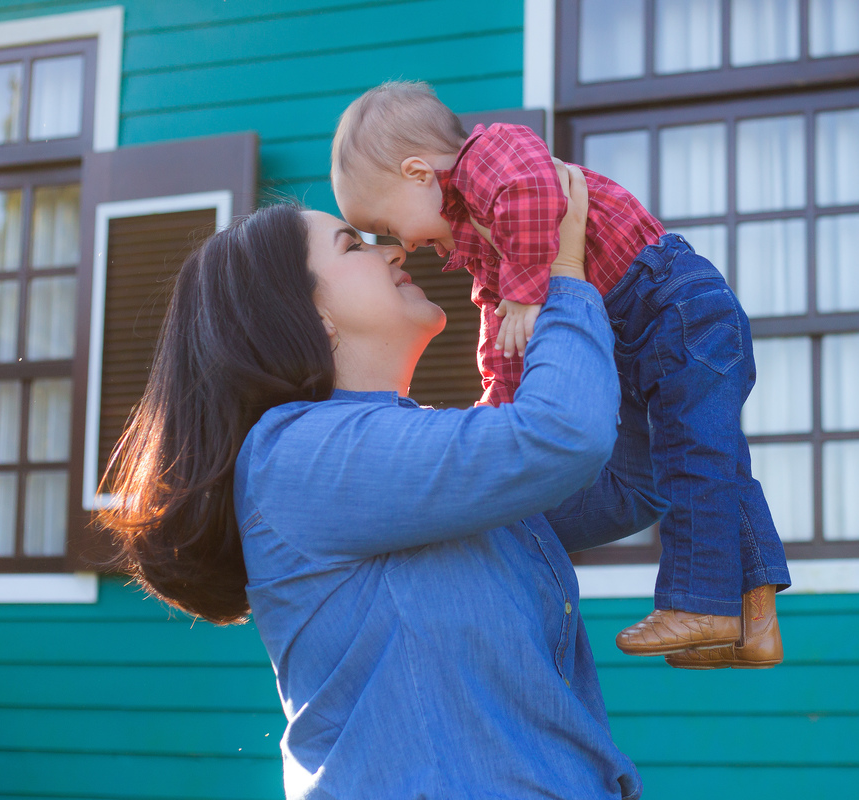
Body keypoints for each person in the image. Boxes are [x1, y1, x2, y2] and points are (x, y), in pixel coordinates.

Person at [100, 166, 664, 798]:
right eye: (353, 245)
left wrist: (644, 314)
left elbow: (629, 483)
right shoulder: (299, 458)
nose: (393, 248)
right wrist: (560, 276)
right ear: (309, 316)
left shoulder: (415, 451)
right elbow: (562, 434)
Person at [329, 81, 791, 668]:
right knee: (712, 458)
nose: (408, 245)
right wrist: (496, 406)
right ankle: (753, 623)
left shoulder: (489, 158)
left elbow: (532, 190)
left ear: (419, 173)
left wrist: (525, 291)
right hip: (640, 326)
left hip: (671, 304)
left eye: (393, 226)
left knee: (693, 454)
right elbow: (498, 326)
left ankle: (699, 602)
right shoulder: (478, 234)